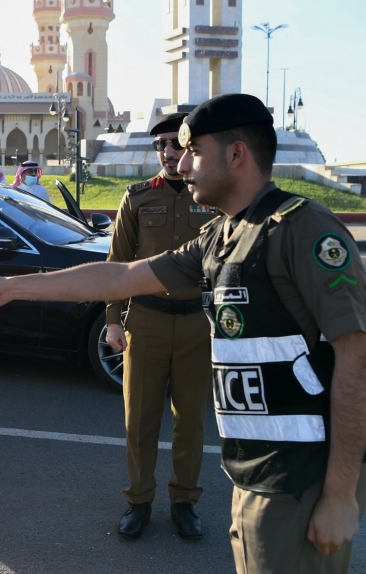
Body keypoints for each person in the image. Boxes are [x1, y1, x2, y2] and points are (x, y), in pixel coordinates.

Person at [0, 93, 366, 574]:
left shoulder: (300, 229)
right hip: (255, 470)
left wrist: (340, 495)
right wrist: (6, 287)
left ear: (236, 154)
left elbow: (360, 357)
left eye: (194, 151)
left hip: (303, 472)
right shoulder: (221, 236)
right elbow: (118, 277)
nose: (182, 164)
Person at [105, 112, 217, 539]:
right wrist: (114, 321)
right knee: (140, 419)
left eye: (175, 144)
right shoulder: (136, 198)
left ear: (189, 148)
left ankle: (185, 502)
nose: (168, 153)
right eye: (160, 146)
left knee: (191, 421)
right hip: (147, 322)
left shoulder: (211, 198)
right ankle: (138, 501)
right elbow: (117, 265)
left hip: (195, 325)